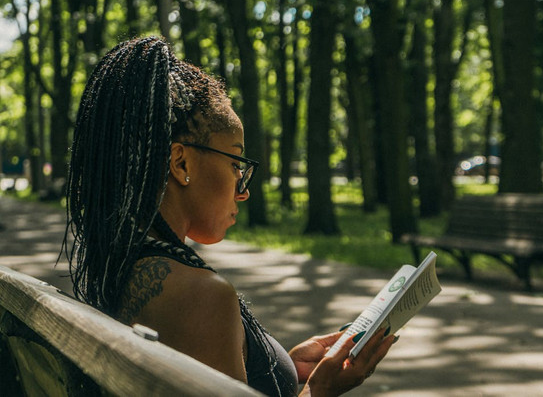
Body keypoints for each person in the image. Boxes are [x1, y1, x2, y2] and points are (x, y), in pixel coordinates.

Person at [60, 36, 395, 396]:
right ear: (181, 162)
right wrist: (321, 389)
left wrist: (279, 365)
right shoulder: (201, 295)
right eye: (235, 162)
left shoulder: (119, 265)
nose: (243, 188)